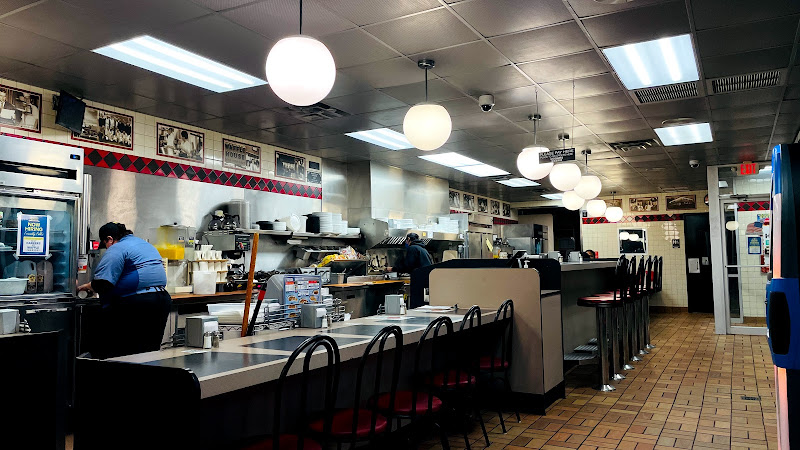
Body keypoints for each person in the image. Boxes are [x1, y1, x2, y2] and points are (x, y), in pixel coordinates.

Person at [78, 222, 171, 359]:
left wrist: (88, 286)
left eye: (105, 244)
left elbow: (103, 283)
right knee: (148, 352)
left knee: (124, 352)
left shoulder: (117, 248)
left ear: (109, 239)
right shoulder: (144, 244)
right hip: (161, 300)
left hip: (137, 304)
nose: (106, 249)